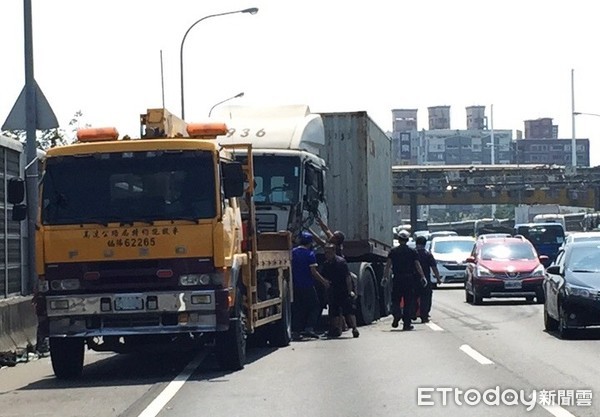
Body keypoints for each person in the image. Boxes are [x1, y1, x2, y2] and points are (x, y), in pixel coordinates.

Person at [382, 230, 427, 331]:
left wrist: (385, 277)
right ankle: (406, 324)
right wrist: (423, 277)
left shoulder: (393, 251)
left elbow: (388, 265)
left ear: (398, 240)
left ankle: (397, 314)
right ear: (407, 240)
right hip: (409, 279)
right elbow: (417, 265)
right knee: (408, 301)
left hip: (397, 278)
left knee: (395, 299)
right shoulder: (412, 251)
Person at [291, 232, 330, 340]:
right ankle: (309, 328)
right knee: (315, 306)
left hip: (295, 285)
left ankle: (296, 331)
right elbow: (314, 272)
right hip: (307, 285)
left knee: (298, 308)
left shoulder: (293, 252)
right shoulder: (310, 254)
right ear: (310, 243)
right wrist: (324, 281)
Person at [320, 244, 360, 338]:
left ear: (334, 252)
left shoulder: (341, 262)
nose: (326, 254)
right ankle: (336, 329)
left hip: (343, 290)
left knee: (349, 311)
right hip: (333, 291)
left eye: (328, 252)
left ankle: (354, 328)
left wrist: (350, 291)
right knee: (334, 312)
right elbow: (324, 278)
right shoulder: (326, 264)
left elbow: (348, 277)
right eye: (325, 252)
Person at [414, 235, 441, 323]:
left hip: (413, 279)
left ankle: (412, 313)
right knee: (426, 297)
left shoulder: (412, 253)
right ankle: (424, 315)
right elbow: (434, 267)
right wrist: (438, 278)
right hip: (425, 279)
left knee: (412, 297)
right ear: (425, 244)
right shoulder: (428, 255)